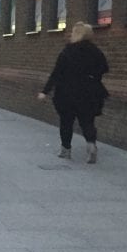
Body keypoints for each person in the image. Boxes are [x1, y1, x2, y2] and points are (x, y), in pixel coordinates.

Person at [37, 21, 109, 163]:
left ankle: (66, 150)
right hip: (89, 92)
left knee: (66, 122)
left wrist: (45, 91)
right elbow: (104, 69)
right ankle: (91, 144)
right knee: (87, 121)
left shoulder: (67, 51)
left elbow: (56, 73)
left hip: (66, 92)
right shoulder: (96, 51)